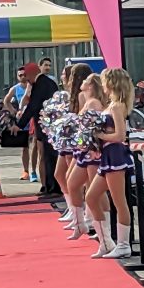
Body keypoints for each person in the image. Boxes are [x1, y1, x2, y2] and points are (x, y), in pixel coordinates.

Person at [86, 68, 135, 258]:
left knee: (119, 201)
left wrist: (100, 135)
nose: (103, 85)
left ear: (111, 83)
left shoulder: (116, 106)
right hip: (108, 154)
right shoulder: (113, 104)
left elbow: (121, 135)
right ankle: (106, 242)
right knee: (91, 197)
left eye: (105, 81)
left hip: (115, 155)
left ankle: (123, 244)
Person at [66, 73, 108, 239]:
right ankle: (80, 223)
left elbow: (94, 127)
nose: (81, 82)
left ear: (91, 85)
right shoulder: (86, 99)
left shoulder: (94, 103)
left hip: (92, 151)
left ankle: (104, 230)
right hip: (83, 149)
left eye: (85, 81)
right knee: (73, 183)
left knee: (95, 190)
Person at [13, 62, 59, 194]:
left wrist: (19, 125)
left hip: (45, 126)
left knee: (48, 157)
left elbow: (33, 106)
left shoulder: (39, 85)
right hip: (51, 124)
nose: (26, 80)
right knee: (47, 156)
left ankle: (52, 187)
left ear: (32, 73)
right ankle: (49, 186)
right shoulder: (50, 83)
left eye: (27, 76)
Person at [55, 63, 91, 209]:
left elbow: (82, 119)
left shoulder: (82, 96)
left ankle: (83, 212)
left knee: (81, 181)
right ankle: (74, 209)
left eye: (66, 74)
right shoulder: (70, 95)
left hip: (77, 141)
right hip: (69, 140)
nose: (64, 77)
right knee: (61, 175)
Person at [3, 67, 30, 180]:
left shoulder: (32, 86)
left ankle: (34, 170)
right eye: (20, 75)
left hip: (33, 118)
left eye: (24, 74)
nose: (23, 77)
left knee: (37, 147)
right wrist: (12, 111)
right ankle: (26, 171)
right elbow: (6, 100)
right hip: (22, 120)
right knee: (24, 147)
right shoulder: (16, 88)